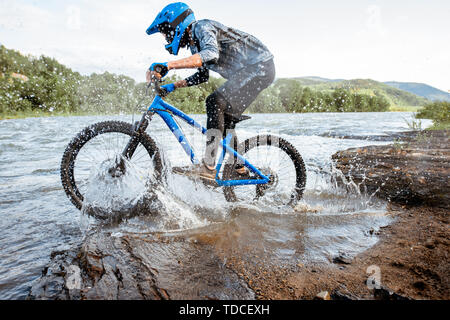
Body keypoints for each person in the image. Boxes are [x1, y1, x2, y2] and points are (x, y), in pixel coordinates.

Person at [146, 2, 275, 180]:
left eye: (165, 31)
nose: (166, 37)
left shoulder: (202, 27)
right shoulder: (194, 45)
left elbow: (211, 54)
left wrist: (168, 66)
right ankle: (239, 169)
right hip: (251, 72)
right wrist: (172, 86)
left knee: (214, 101)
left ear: (176, 24)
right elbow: (202, 76)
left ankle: (209, 166)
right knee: (226, 119)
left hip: (260, 67)